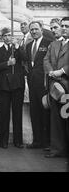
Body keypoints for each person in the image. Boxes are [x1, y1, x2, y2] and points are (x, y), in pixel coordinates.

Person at [0, 27, 26, 149]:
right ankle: (3, 141)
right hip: (4, 86)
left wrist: (17, 46)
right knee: (3, 114)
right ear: (2, 37)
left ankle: (18, 141)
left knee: (17, 113)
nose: (7, 37)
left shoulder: (17, 49)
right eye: (5, 35)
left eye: (9, 35)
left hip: (17, 84)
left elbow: (25, 58)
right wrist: (7, 63)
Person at [43, 17, 69, 158]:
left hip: (67, 86)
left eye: (67, 26)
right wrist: (51, 71)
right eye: (63, 25)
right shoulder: (53, 44)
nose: (64, 28)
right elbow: (46, 60)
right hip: (56, 87)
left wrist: (62, 71)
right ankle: (57, 149)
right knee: (56, 119)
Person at [25, 21, 52, 150]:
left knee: (45, 112)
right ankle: (36, 141)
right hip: (32, 84)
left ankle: (47, 142)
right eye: (32, 30)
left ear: (41, 29)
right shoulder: (29, 45)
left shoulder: (49, 43)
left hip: (44, 84)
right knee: (34, 112)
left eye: (36, 29)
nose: (34, 31)